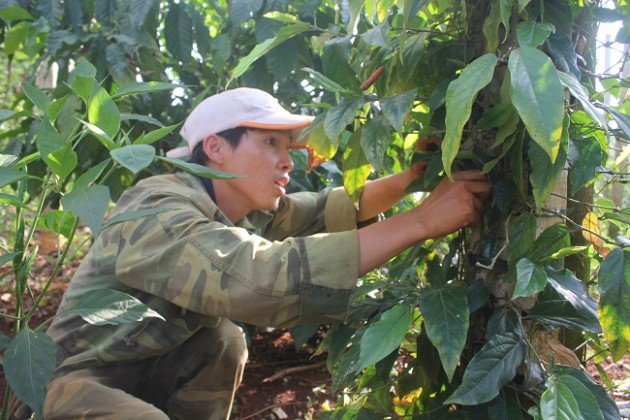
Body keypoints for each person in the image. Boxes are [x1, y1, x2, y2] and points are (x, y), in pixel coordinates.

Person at [11, 87, 491, 419]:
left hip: (141, 366)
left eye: (288, 146)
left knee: (222, 340)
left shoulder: (235, 206)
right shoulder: (160, 209)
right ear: (216, 149)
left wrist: (414, 177)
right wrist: (424, 221)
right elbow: (258, 278)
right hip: (63, 385)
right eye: (270, 143)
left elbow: (328, 210)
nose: (288, 160)